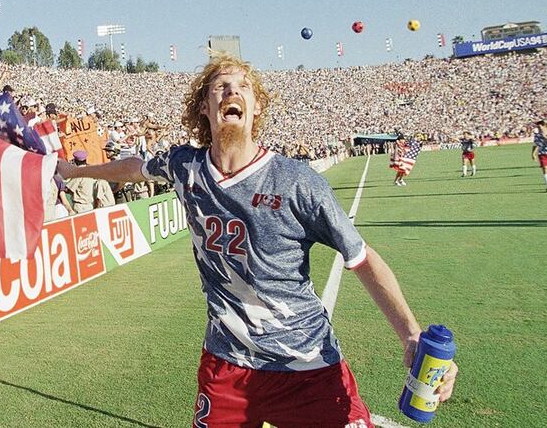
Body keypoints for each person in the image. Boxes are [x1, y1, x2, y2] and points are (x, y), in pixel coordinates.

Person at [57, 55, 457, 426]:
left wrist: (410, 333)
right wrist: (73, 172)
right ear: (204, 107)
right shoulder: (185, 168)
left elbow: (363, 259)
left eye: (243, 86)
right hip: (226, 366)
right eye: (220, 86)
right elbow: (136, 168)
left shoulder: (299, 183)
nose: (232, 90)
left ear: (257, 107)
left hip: (307, 365)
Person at [533, 120, 547, 192]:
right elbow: (536, 144)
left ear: (544, 126)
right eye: (537, 127)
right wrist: (533, 153)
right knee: (544, 168)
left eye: (539, 127)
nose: (538, 128)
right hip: (542, 153)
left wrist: (545, 137)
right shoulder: (537, 135)